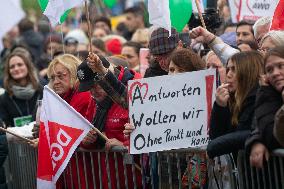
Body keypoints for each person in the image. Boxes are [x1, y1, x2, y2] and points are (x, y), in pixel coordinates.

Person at [77, 52, 142, 189]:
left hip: (136, 177)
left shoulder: (136, 87)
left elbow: (150, 130)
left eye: (96, 85)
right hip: (110, 177)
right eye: (89, 88)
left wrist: (124, 145)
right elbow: (91, 129)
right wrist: (88, 141)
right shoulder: (96, 101)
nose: (93, 92)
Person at [206, 51, 263, 160]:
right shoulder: (232, 100)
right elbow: (216, 136)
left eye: (234, 70)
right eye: (228, 69)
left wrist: (214, 146)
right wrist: (220, 106)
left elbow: (252, 133)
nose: (228, 74)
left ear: (249, 72)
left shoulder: (259, 98)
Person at [46, 54, 92, 189]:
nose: (56, 82)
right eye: (53, 78)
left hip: (85, 168)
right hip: (72, 169)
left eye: (61, 76)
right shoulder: (62, 98)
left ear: (73, 74)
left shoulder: (82, 96)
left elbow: (70, 133)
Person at [246, 46, 284, 168]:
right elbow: (266, 128)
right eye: (269, 70)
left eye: (281, 66)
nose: (275, 73)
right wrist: (257, 141)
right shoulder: (268, 94)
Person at [0, 48, 42, 127]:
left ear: (28, 67)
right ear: (8, 71)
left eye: (20, 64)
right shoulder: (4, 99)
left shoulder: (42, 92)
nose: (16, 69)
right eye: (12, 67)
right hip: (16, 138)